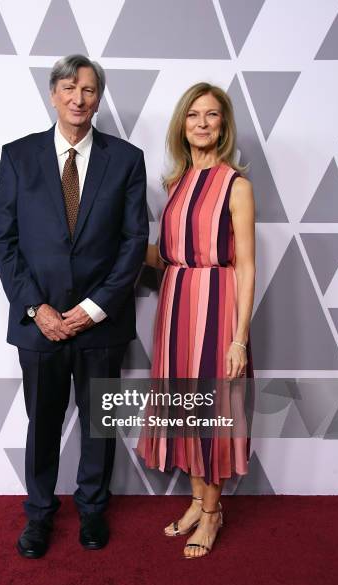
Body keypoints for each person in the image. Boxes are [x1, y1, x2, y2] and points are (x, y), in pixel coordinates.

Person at [0, 54, 149, 558]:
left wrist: (94, 308)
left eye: (88, 89)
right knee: (42, 423)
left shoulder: (125, 159)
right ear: (53, 94)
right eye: (68, 88)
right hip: (40, 325)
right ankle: (38, 515)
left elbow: (133, 241)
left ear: (98, 98)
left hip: (101, 325)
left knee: (99, 422)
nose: (78, 98)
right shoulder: (18, 156)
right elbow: (5, 241)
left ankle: (93, 510)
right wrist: (38, 309)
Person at [137, 82, 255, 559]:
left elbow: (245, 264)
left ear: (223, 125)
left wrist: (239, 339)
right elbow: (168, 257)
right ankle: (194, 500)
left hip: (217, 302)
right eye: (193, 115)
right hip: (176, 303)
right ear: (181, 125)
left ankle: (212, 512)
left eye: (212, 115)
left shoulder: (237, 185)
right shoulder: (176, 183)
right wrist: (107, 248)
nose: (202, 123)